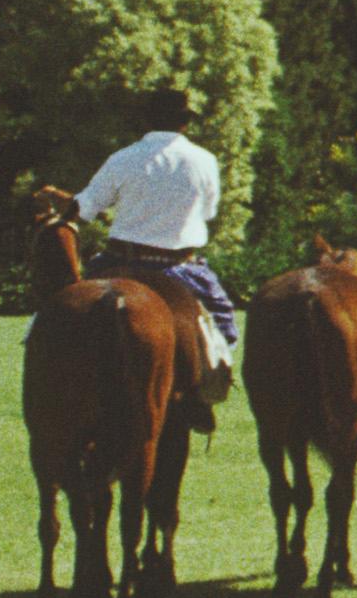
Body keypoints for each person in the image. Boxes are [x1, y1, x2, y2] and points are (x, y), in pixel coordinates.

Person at [72, 86, 240, 412]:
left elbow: (85, 207)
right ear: (185, 123)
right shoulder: (205, 160)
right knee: (223, 328)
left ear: (148, 120)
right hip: (180, 269)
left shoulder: (121, 158)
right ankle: (201, 395)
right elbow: (208, 213)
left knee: (58, 311)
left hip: (119, 262)